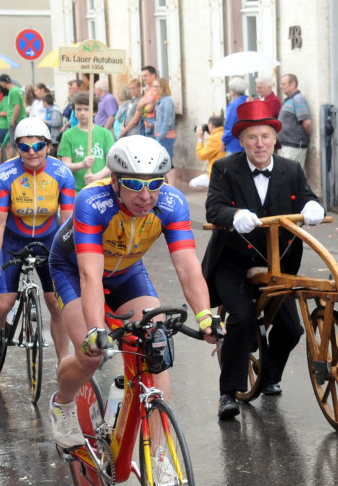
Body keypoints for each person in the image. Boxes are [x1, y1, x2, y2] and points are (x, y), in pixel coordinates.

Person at [46, 135, 222, 448]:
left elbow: (187, 267)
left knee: (158, 344)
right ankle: (63, 403)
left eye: (155, 183)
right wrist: (96, 329)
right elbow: (90, 274)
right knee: (90, 356)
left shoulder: (171, 203)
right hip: (74, 270)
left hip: (127, 272)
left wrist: (206, 315)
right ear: (114, 180)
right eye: (134, 184)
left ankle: (158, 453)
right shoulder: (92, 201)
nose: (146, 196)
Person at [201, 100, 324, 420]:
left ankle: (269, 377)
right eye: (252, 137)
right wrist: (234, 214)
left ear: (274, 140)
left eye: (265, 136)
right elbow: (213, 208)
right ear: (241, 141)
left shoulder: (291, 169)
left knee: (292, 330)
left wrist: (314, 207)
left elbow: (308, 197)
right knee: (240, 318)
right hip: (233, 261)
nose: (259, 144)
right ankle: (228, 393)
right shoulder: (225, 168)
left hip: (276, 263)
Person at [0, 118, 76, 375]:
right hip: (13, 240)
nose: (32, 151)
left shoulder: (62, 174)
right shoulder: (5, 175)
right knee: (3, 304)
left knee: (57, 304)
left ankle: (64, 362)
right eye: (25, 146)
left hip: (49, 240)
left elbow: (70, 223)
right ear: (17, 147)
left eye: (38, 145)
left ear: (48, 147)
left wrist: (74, 258)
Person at [57, 92, 115, 191]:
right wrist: (82, 165)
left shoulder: (105, 134)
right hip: (77, 190)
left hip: (102, 188)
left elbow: (112, 164)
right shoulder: (68, 135)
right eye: (78, 109)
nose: (82, 113)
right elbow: (65, 165)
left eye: (86, 109)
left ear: (94, 111)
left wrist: (96, 177)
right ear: (74, 111)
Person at [276, 73, 311, 165]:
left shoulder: (298, 100)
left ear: (293, 84)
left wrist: (307, 137)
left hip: (294, 145)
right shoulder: (290, 99)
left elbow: (307, 123)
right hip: (287, 144)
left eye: (283, 84)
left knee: (291, 174)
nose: (281, 86)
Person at [0, 74, 25, 166]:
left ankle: (17, 166)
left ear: (3, 83)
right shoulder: (17, 90)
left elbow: (17, 107)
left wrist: (12, 120)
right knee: (15, 144)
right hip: (18, 120)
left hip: (15, 120)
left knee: (14, 145)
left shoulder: (12, 91)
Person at [151, 77, 177, 185]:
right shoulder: (161, 100)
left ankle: (172, 185)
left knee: (167, 160)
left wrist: (161, 135)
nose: (154, 89)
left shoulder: (167, 101)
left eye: (156, 86)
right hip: (161, 135)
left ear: (163, 87)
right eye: (154, 86)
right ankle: (166, 184)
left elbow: (167, 120)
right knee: (163, 160)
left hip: (166, 136)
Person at [221, 77, 249, 155]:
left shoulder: (234, 105)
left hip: (235, 145)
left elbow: (230, 126)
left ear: (232, 92)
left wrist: (224, 141)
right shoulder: (249, 101)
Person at [134, 66, 160, 138]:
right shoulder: (148, 90)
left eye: (145, 75)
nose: (143, 78)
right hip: (146, 122)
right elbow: (138, 107)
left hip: (152, 122)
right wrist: (145, 104)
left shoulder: (156, 91)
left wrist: (142, 106)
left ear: (153, 76)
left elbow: (150, 108)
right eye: (142, 76)